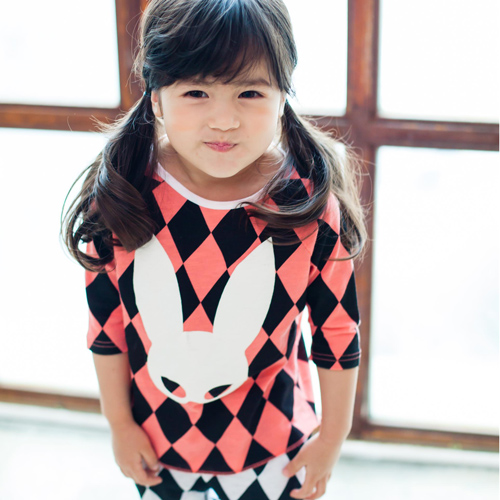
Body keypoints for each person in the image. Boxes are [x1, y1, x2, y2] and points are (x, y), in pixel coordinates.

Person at [61, 0, 368, 499]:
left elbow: (336, 330)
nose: (224, 121)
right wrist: (119, 424)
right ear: (156, 99)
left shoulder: (306, 204)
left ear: (283, 97)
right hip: (158, 445)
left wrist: (332, 437)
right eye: (196, 92)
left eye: (250, 92)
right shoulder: (123, 194)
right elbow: (106, 325)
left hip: (277, 448)